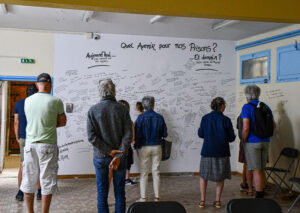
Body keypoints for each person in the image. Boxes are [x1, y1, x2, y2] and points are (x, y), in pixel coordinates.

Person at [20, 73, 67, 213]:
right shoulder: (56, 101)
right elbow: (62, 122)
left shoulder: (27, 101)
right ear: (50, 84)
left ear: (36, 85)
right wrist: (50, 125)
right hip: (48, 145)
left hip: (29, 145)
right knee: (47, 180)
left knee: (28, 180)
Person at [87, 79, 132, 213]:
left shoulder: (92, 110)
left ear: (99, 92)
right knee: (120, 193)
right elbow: (128, 134)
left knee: (102, 193)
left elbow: (91, 136)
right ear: (114, 90)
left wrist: (108, 151)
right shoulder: (122, 109)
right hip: (120, 157)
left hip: (100, 156)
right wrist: (118, 154)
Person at [198, 97, 236, 208]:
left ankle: (202, 201)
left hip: (207, 151)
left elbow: (200, 134)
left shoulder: (205, 118)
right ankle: (218, 201)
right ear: (222, 106)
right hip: (222, 151)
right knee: (220, 177)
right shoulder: (226, 120)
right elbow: (232, 138)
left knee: (203, 176)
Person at [241, 84, 276, 198]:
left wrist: (243, 140)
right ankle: (262, 190)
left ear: (247, 95)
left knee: (256, 170)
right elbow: (273, 125)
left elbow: (245, 128)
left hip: (252, 142)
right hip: (265, 141)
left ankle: (259, 195)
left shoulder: (246, 107)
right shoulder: (265, 106)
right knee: (261, 169)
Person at [134, 96, 168, 202]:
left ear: (144, 106)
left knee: (144, 172)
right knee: (156, 171)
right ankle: (157, 197)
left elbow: (137, 134)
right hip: (157, 146)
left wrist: (137, 146)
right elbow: (165, 134)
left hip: (144, 147)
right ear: (153, 104)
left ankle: (143, 197)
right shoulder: (160, 117)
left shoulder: (140, 118)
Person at [14, 84, 41, 201]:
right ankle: (40, 192)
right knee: (38, 165)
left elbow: (16, 122)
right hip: (37, 138)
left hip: (24, 138)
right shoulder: (40, 104)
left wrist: (17, 137)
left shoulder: (19, 104)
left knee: (23, 164)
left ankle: (20, 192)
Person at [118, 100, 137, 186]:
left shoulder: (114, 121)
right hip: (126, 146)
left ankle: (120, 179)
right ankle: (126, 179)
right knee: (128, 162)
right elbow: (132, 137)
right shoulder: (129, 121)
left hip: (116, 147)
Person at [237, 114, 254, 196]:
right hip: (257, 142)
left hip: (245, 141)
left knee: (246, 164)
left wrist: (243, 139)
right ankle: (260, 187)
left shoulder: (241, 115)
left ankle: (245, 185)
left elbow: (239, 127)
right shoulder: (259, 113)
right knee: (259, 167)